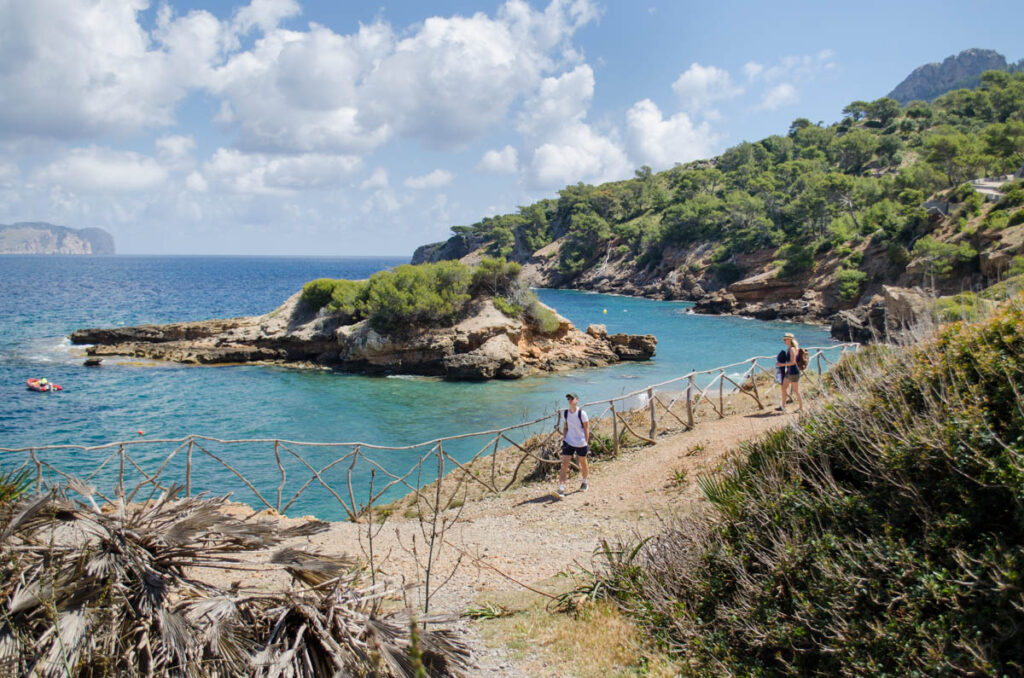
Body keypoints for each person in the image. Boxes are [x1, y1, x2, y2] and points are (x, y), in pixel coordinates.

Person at [557, 393, 590, 497]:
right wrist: (565, 437)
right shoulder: (565, 413)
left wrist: (586, 441)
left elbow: (586, 428)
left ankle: (584, 481)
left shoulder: (582, 413)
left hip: (581, 442)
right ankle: (561, 488)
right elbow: (565, 426)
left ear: (577, 400)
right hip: (569, 441)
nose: (569, 400)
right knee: (564, 464)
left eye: (572, 398)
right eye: (568, 398)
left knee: (583, 463)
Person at [775, 332, 803, 413]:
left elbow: (793, 362)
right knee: (784, 388)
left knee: (795, 391)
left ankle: (801, 408)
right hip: (790, 372)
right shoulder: (792, 348)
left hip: (793, 372)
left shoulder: (792, 349)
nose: (784, 341)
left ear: (790, 340)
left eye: (785, 339)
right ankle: (783, 407)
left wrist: (782, 364)